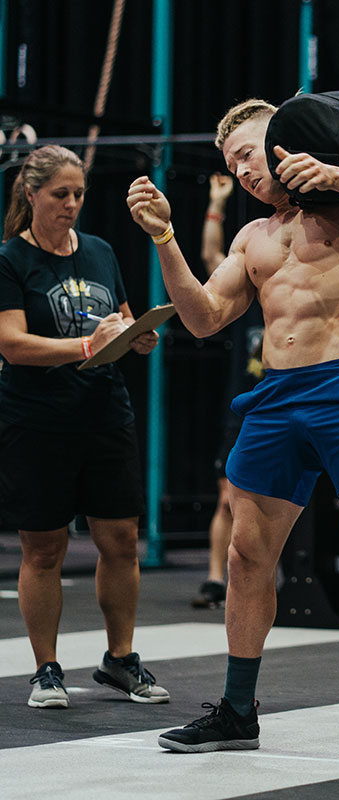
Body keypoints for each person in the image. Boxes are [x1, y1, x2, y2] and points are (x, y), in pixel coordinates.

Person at [127, 98, 339, 771]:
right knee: (246, 558)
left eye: (247, 154)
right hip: (275, 399)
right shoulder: (252, 238)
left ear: (283, 142)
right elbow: (204, 318)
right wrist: (164, 238)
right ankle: (236, 711)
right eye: (230, 164)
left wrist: (332, 171)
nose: (242, 171)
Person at [0, 145, 170, 709]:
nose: (72, 205)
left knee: (120, 541)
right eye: (60, 195)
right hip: (37, 422)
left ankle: (120, 659)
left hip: (105, 413)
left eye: (79, 195)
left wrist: (136, 337)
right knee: (43, 548)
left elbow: (117, 320)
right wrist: (83, 345)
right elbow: (11, 345)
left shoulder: (98, 250)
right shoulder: (10, 260)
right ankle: (46, 669)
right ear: (31, 194)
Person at [191, 173, 264, 609]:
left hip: (284, 403)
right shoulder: (246, 296)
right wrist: (217, 202)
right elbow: (210, 255)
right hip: (243, 409)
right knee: (226, 499)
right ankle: (216, 578)